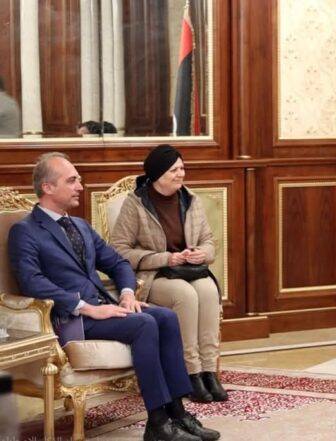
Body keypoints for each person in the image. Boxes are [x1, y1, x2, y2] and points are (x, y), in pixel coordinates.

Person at [8, 152, 220, 441]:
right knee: (145, 323)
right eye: (72, 181)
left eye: (79, 180)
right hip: (70, 319)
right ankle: (157, 422)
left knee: (166, 317)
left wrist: (128, 294)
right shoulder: (25, 231)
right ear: (48, 187)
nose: (80, 186)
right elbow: (32, 282)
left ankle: (178, 414)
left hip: (105, 307)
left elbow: (118, 262)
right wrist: (86, 308)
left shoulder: (81, 225)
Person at [110, 144, 227, 403]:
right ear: (158, 173)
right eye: (174, 170)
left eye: (182, 168)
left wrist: (201, 254)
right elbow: (119, 250)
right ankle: (190, 373)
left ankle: (209, 371)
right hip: (154, 276)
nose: (181, 174)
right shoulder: (136, 204)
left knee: (208, 290)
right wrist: (166, 258)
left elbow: (209, 241)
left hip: (189, 270)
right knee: (185, 295)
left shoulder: (191, 199)